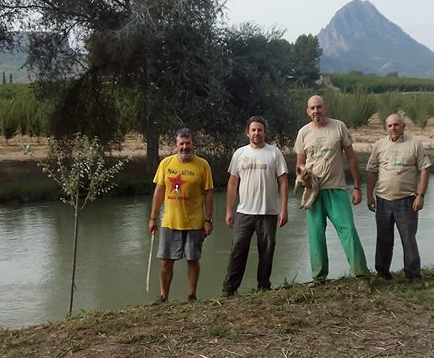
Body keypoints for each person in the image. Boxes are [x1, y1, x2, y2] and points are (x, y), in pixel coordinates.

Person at [294, 94, 370, 283]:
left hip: (336, 189)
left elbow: (351, 158)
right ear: (307, 111)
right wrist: (303, 179)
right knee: (316, 234)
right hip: (313, 192)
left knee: (348, 230)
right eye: (312, 108)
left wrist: (357, 187)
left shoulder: (338, 127)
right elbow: (300, 164)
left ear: (325, 108)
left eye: (319, 107)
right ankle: (319, 278)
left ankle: (361, 276)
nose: (316, 111)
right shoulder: (303, 132)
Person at [221, 116, 289, 296]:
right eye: (253, 130)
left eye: (260, 130)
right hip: (244, 212)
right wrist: (229, 210)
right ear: (248, 132)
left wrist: (284, 209)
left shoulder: (274, 153)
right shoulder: (240, 154)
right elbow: (232, 183)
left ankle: (263, 286)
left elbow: (283, 181)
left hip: (269, 212)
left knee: (267, 250)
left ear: (265, 132)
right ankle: (229, 288)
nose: (256, 133)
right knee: (238, 248)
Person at [148, 128, 214, 302]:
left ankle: (192, 295)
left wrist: (208, 220)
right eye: (181, 144)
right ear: (175, 146)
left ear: (193, 144)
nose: (185, 147)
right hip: (170, 221)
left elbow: (208, 193)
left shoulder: (202, 165)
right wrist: (153, 218)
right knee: (166, 261)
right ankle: (164, 297)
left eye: (188, 143)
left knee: (193, 260)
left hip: (194, 222)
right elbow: (159, 191)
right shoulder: (166, 164)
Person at [366, 113, 432, 280]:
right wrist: (369, 196)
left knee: (408, 239)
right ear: (386, 128)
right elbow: (372, 172)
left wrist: (421, 195)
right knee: (383, 239)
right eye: (389, 125)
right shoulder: (379, 145)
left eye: (396, 125)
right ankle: (382, 273)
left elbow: (424, 169)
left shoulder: (415, 144)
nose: (393, 128)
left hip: (407, 200)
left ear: (403, 126)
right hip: (383, 199)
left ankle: (413, 275)